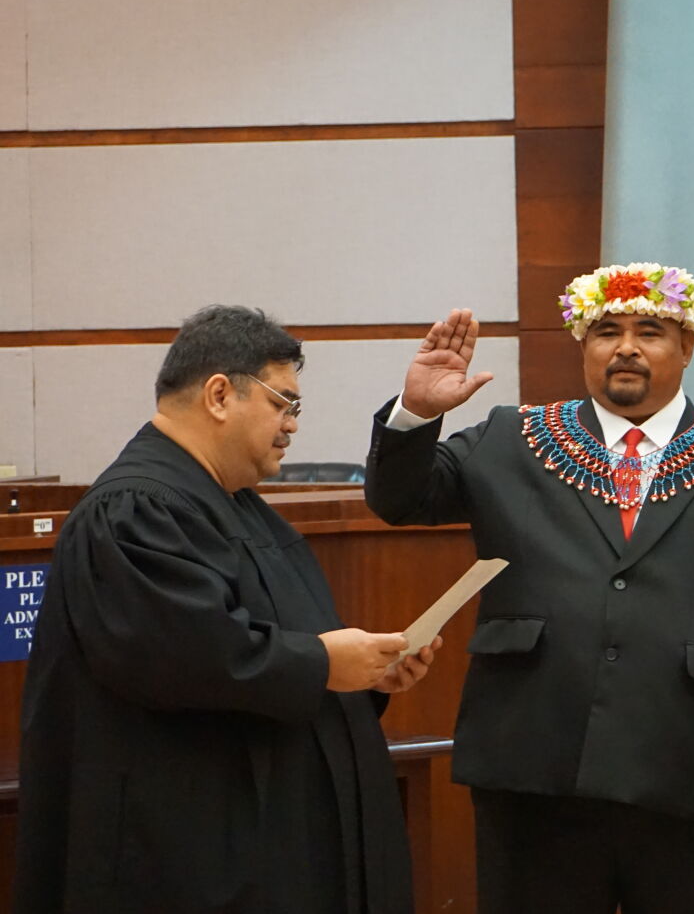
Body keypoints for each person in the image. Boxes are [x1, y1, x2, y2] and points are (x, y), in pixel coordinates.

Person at [361, 264, 694, 914]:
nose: (627, 346)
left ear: (687, 346)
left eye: (650, 330)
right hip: (533, 764)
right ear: (584, 345)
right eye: (606, 330)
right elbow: (400, 499)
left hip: (689, 760)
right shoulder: (513, 438)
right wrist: (416, 411)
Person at [14, 305, 439, 914]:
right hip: (195, 853)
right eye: (283, 402)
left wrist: (365, 669)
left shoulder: (235, 505)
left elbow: (281, 640)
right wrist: (322, 663)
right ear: (219, 394)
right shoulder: (134, 510)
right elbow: (191, 656)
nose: (293, 424)